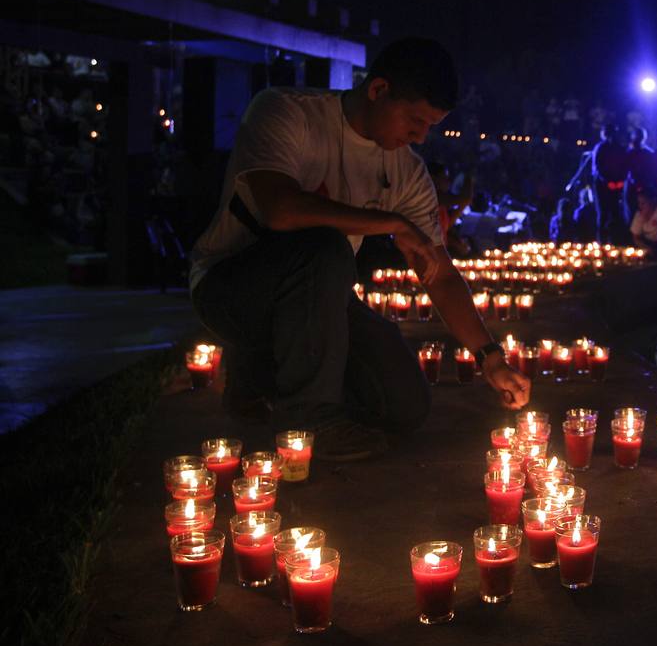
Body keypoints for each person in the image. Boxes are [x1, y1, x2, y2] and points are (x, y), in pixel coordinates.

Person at [188, 38, 530, 462]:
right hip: (232, 289)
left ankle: (261, 374)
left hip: (319, 301)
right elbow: (280, 209)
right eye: (415, 120)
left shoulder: (406, 171)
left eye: (430, 127)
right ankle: (309, 421)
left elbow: (438, 273)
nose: (420, 137)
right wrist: (391, 222)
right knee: (325, 246)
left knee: (405, 405)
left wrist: (490, 357)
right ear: (378, 90)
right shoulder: (286, 111)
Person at [589, 124, 627, 244]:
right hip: (602, 185)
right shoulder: (600, 148)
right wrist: (608, 181)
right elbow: (598, 168)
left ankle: (616, 241)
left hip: (616, 184)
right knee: (603, 213)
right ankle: (602, 242)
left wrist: (620, 181)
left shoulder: (620, 148)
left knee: (616, 212)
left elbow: (624, 166)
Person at [629, 187, 657, 258]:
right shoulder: (639, 215)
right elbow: (636, 238)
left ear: (653, 201)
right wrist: (648, 248)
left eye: (643, 203)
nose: (640, 206)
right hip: (647, 244)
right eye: (639, 203)